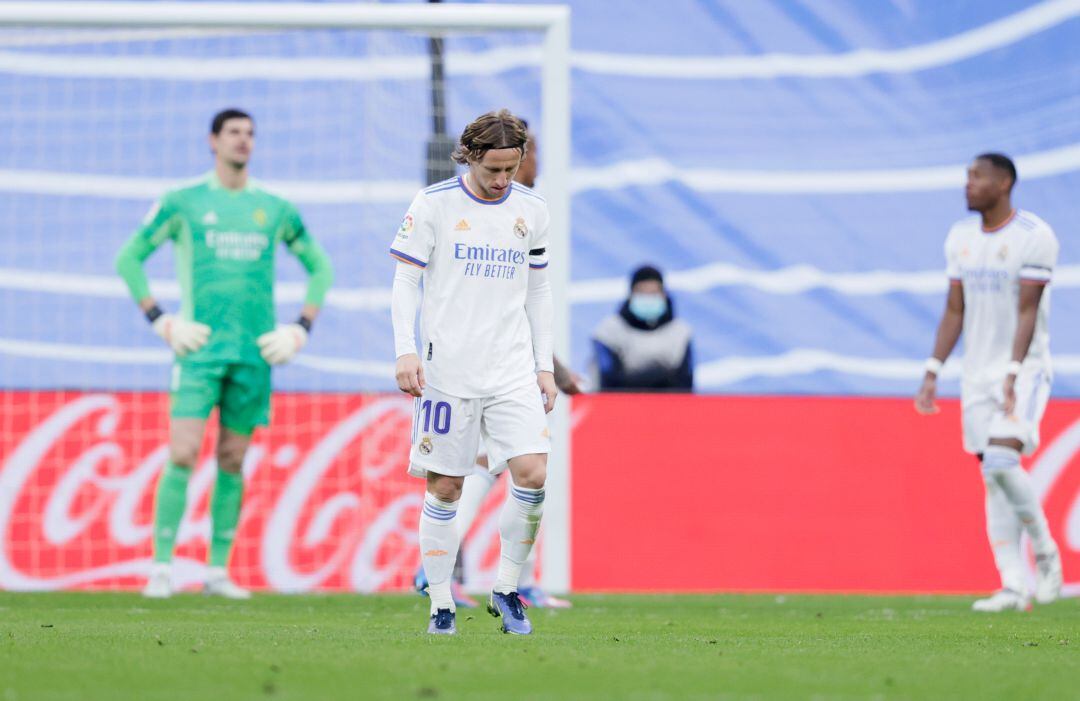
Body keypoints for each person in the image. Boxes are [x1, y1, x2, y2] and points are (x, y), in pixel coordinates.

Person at [115, 108, 333, 599]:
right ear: (213, 141)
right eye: (234, 132)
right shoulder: (183, 202)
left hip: (254, 354)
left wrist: (300, 329)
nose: (244, 140)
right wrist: (161, 320)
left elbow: (320, 268)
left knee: (233, 459)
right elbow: (128, 258)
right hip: (198, 350)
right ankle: (162, 569)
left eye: (251, 133)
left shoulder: (275, 208)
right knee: (183, 452)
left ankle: (217, 572)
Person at [390, 109, 555, 635]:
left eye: (511, 169)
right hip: (447, 370)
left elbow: (538, 289)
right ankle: (440, 601)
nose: (503, 180)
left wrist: (544, 365)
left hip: (510, 368)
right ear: (470, 157)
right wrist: (405, 350)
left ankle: (506, 590)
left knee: (532, 472)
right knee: (446, 489)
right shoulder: (433, 204)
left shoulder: (532, 210)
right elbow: (405, 281)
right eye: (494, 171)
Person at [915, 152, 1063, 612]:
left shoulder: (1034, 237)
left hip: (1024, 370)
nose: (967, 184)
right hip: (976, 375)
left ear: (1003, 184)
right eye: (966, 176)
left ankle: (1045, 554)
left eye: (976, 176)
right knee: (992, 476)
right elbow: (955, 310)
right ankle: (1013, 585)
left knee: (1000, 461)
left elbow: (1027, 310)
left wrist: (1015, 372)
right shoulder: (960, 237)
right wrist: (934, 369)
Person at [592, 265, 693, 391]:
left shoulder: (680, 332)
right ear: (631, 294)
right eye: (642, 292)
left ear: (663, 295)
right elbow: (608, 380)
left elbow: (685, 383)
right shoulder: (609, 331)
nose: (648, 298)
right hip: (621, 405)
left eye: (653, 293)